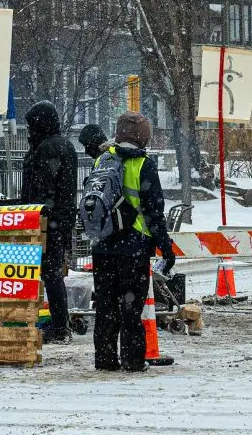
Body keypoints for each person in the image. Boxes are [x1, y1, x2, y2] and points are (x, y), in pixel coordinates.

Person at [91, 111, 175, 372]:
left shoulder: (101, 161)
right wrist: (165, 246)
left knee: (106, 305)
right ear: (142, 135)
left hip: (103, 245)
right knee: (131, 307)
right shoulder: (143, 165)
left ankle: (105, 359)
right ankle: (132, 360)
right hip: (133, 247)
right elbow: (154, 212)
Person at [20, 101, 80, 344]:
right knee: (53, 272)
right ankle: (59, 322)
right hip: (60, 218)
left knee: (50, 273)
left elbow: (42, 188)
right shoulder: (64, 145)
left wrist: (34, 210)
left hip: (47, 220)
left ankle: (58, 324)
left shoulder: (47, 149)